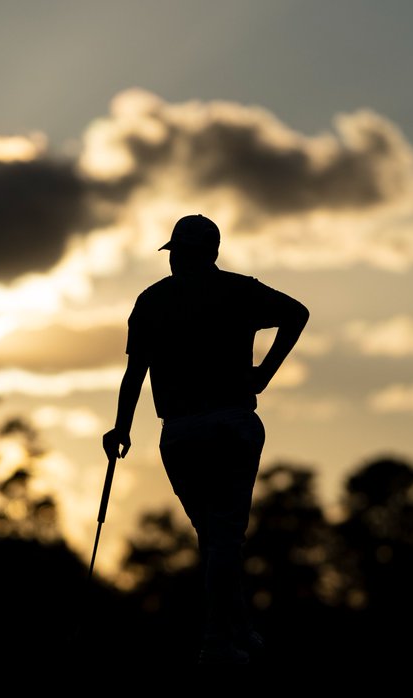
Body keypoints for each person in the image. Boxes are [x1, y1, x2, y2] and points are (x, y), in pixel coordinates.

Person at [102, 214, 309, 665]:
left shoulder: (152, 300)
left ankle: (232, 634)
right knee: (223, 538)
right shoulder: (239, 290)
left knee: (214, 536)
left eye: (175, 251)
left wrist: (122, 427)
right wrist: (264, 374)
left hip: (180, 433)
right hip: (232, 424)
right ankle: (224, 637)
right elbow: (297, 314)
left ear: (181, 253)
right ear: (212, 253)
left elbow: (134, 373)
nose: (173, 259)